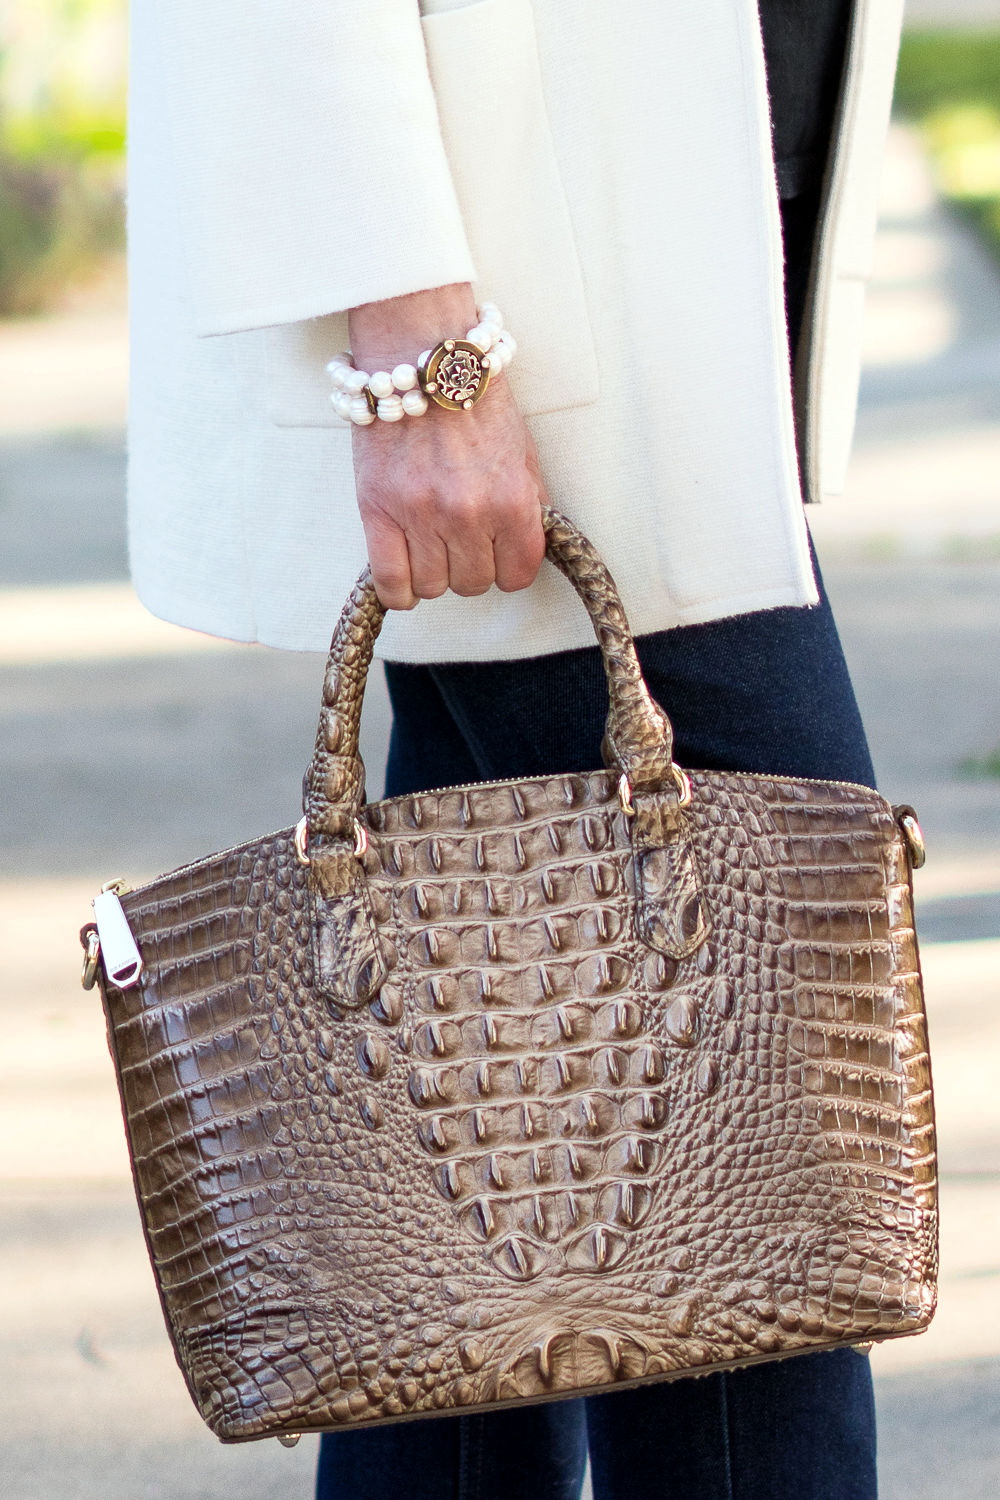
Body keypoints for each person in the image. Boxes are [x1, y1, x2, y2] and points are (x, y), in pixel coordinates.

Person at [126, 2, 905, 1494]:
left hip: (685, 231)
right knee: (754, 1193)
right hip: (525, 299)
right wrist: (416, 341)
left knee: (462, 1246)